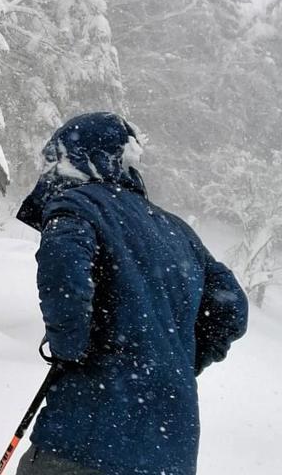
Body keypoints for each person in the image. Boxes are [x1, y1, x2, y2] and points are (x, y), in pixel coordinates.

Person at [15, 112, 248, 475]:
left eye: (53, 158)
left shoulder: (77, 205)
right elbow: (232, 308)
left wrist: (71, 348)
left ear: (73, 158)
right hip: (171, 452)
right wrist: (177, 359)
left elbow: (65, 274)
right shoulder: (180, 233)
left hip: (86, 439)